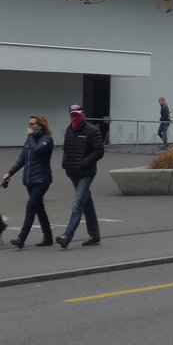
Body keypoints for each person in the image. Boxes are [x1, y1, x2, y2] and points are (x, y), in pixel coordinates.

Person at [55, 103, 105, 249]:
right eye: (72, 115)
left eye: (77, 114)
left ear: (82, 114)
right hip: (72, 173)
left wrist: (84, 163)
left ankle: (67, 236)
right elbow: (66, 149)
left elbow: (99, 151)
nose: (74, 117)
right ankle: (94, 235)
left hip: (86, 173)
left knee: (77, 205)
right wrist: (65, 164)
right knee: (86, 203)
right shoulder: (69, 130)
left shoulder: (92, 130)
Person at [2, 114, 55, 249]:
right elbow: (22, 159)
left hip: (42, 180)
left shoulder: (47, 139)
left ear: (41, 125)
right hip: (29, 180)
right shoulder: (29, 140)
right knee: (39, 209)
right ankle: (48, 237)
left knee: (30, 207)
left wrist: (30, 136)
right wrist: (10, 173)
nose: (30, 127)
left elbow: (37, 151)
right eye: (29, 124)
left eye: (33, 124)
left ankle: (21, 238)